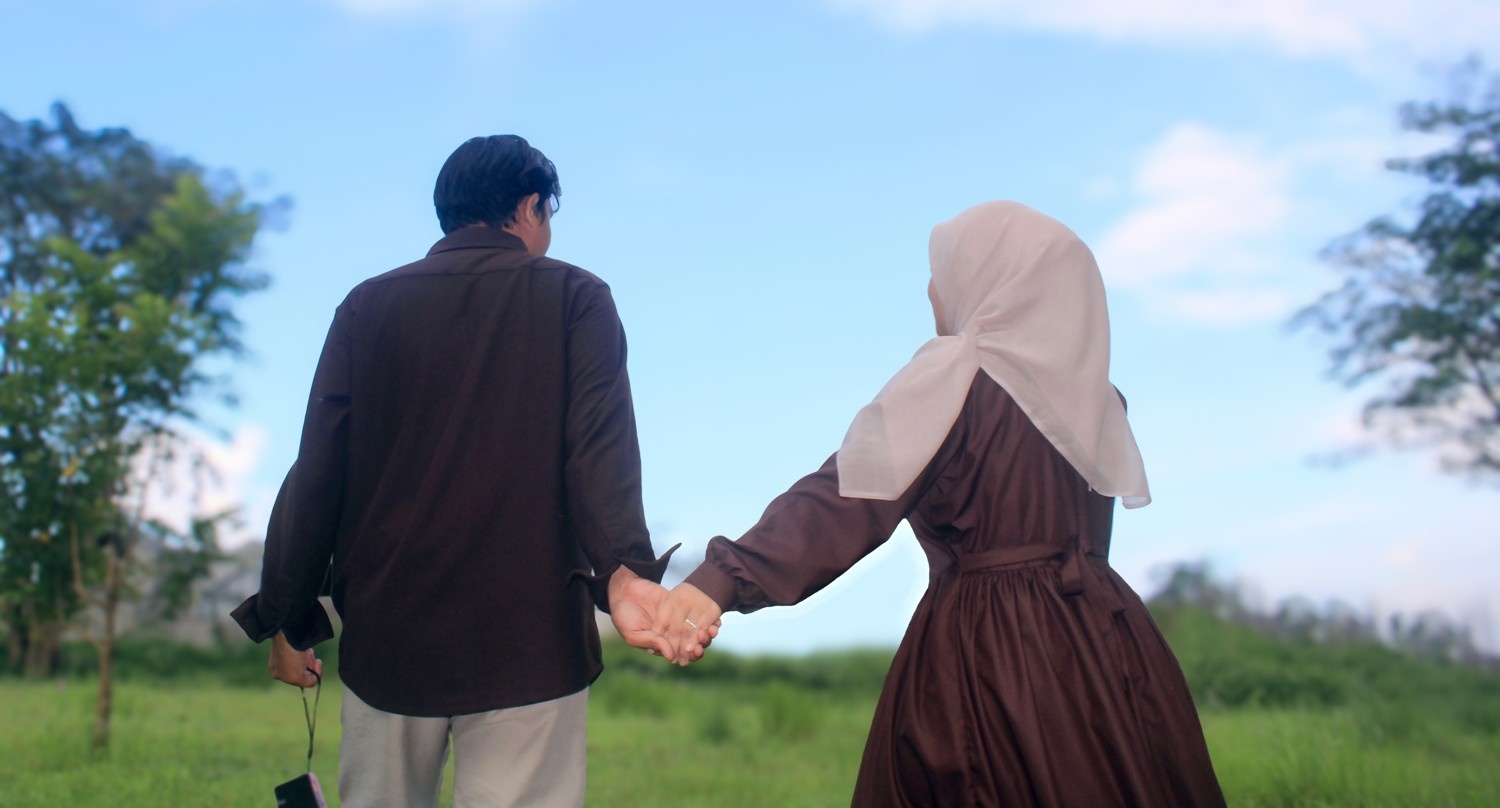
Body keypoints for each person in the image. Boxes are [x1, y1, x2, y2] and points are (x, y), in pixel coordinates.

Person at [655, 201, 1225, 806]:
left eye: (944, 272)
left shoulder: (958, 376)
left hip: (994, 651)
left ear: (992, 279)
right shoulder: (1099, 397)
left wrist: (722, 579)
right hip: (1107, 643)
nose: (933, 290)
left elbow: (848, 497)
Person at [232, 135, 702, 808]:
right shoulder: (577, 296)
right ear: (532, 206)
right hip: (531, 641)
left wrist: (288, 615)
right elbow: (601, 456)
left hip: (390, 641)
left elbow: (319, 470)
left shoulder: (366, 306)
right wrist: (623, 575)